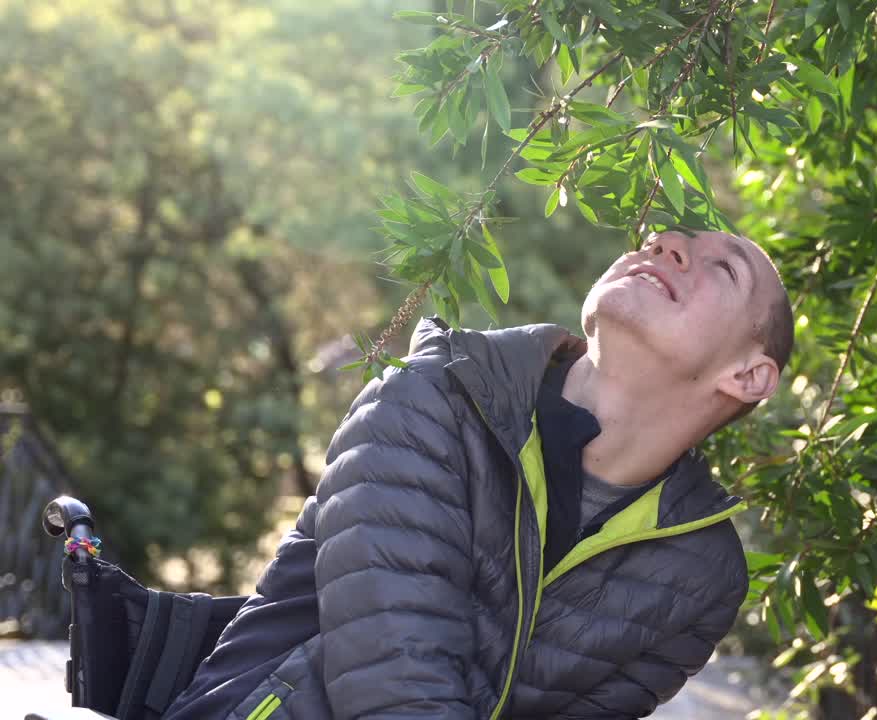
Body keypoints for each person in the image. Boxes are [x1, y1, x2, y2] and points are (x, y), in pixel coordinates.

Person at [164, 228, 794, 719]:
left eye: (724, 268)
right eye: (660, 240)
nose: (666, 245)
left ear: (748, 376)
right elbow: (397, 687)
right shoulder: (431, 398)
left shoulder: (702, 576)